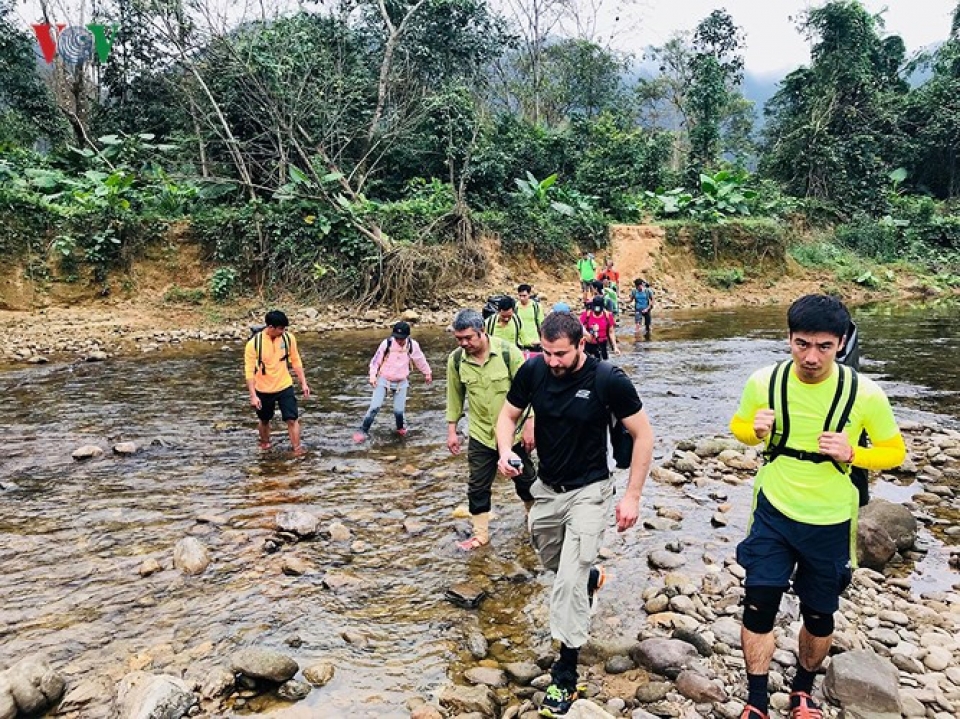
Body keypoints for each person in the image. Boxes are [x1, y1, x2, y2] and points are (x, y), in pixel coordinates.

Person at [729, 294, 906, 719]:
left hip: (830, 519)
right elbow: (738, 427)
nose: (812, 356)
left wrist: (853, 453)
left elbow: (894, 451)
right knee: (759, 603)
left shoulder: (865, 393)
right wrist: (752, 431)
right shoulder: (763, 382)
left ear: (842, 344)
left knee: (820, 614)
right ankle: (755, 700)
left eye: (824, 346)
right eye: (802, 344)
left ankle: (803, 692)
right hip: (773, 509)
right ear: (788, 338)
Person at [495, 311, 654, 718]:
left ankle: (565, 673)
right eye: (547, 352)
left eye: (561, 354)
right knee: (553, 560)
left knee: (567, 582)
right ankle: (593, 579)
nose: (553, 361)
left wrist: (632, 496)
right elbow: (507, 415)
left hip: (591, 491)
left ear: (582, 344)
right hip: (547, 490)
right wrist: (505, 451)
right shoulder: (533, 371)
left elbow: (643, 434)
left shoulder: (607, 380)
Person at [446, 309, 536, 551]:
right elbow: (454, 397)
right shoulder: (456, 360)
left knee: (526, 480)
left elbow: (530, 392)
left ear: (482, 331)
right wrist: (452, 430)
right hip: (480, 434)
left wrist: (530, 424)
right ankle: (480, 535)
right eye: (459, 339)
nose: (464, 343)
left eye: (468, 338)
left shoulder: (508, 353)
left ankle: (534, 520)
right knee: (477, 485)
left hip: (514, 433)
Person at [244, 310, 311, 455]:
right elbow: (249, 371)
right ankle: (265, 443)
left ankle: (297, 448)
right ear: (270, 327)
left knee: (292, 419)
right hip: (263, 388)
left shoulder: (288, 339)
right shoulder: (253, 344)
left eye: (284, 328)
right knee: (264, 419)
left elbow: (296, 361)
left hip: (284, 385)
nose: (283, 331)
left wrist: (303, 383)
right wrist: (253, 395)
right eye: (280, 328)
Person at [353, 321, 432, 442]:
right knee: (375, 407)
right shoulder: (387, 344)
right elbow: (376, 361)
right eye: (397, 338)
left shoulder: (412, 345)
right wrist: (372, 376)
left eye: (402, 338)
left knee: (399, 411)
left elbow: (420, 359)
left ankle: (400, 429)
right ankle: (363, 430)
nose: (399, 341)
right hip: (383, 379)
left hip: (401, 382)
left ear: (407, 336)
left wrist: (427, 373)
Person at [579, 296, 619, 360]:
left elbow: (611, 332)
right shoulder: (587, 315)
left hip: (602, 345)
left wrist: (615, 347)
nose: (597, 311)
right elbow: (578, 326)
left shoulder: (608, 316)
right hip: (589, 345)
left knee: (604, 363)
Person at [515, 283, 544, 356]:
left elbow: (541, 324)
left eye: (524, 296)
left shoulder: (536, 307)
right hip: (520, 343)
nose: (522, 298)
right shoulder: (515, 307)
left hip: (535, 342)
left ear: (529, 295)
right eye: (520, 296)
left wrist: (542, 340)